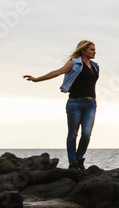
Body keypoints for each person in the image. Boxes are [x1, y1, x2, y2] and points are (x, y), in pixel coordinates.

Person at [23, 40, 100, 171]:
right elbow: (56, 72)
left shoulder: (95, 66)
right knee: (72, 134)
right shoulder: (74, 63)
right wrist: (36, 79)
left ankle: (79, 158)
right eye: (91, 49)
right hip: (75, 103)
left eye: (94, 49)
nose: (94, 52)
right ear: (83, 50)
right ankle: (73, 162)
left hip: (91, 103)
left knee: (86, 134)